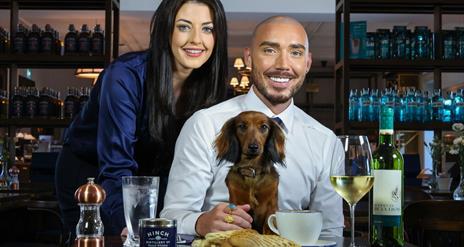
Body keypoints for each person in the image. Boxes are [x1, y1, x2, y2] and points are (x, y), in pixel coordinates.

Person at [55, 0, 228, 237]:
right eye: (184, 27)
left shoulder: (212, 86)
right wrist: (126, 226)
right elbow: (116, 166)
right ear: (165, 30)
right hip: (94, 176)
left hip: (152, 180)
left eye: (207, 28)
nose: (197, 39)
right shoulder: (124, 76)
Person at [161, 16, 345, 237]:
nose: (283, 65)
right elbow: (172, 216)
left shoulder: (325, 142)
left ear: (307, 63)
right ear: (249, 58)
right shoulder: (204, 125)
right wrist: (201, 222)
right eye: (269, 50)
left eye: (295, 52)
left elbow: (329, 232)